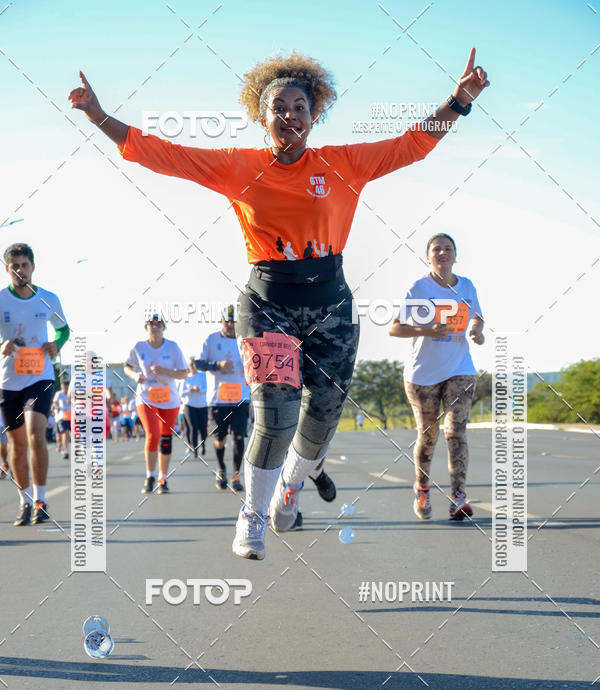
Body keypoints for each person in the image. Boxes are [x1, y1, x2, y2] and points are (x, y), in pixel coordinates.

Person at [69, 48, 489, 558]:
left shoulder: (343, 163)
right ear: (261, 116)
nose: (290, 116)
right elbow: (164, 154)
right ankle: (251, 515)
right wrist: (98, 116)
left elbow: (412, 145)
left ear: (315, 116)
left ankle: (290, 486)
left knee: (321, 418)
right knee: (275, 412)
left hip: (331, 304)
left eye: (300, 107)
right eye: (279, 108)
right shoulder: (238, 167)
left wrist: (458, 101)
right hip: (268, 302)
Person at [389, 233, 485, 521]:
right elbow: (395, 328)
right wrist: (427, 330)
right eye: (436, 249)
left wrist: (476, 330)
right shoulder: (419, 288)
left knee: (456, 431)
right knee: (428, 436)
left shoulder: (466, 286)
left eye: (447, 249)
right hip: (424, 374)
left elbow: (477, 316)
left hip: (461, 368)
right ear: (428, 256)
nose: (442, 253)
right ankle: (422, 487)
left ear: (455, 255)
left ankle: (459, 496)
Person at [0, 243, 70, 525]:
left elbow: (63, 328)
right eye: (14, 265)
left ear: (33, 267)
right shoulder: (1, 300)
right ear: (7, 269)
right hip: (8, 380)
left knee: (35, 433)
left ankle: (41, 500)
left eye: (24, 264)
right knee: (16, 444)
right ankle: (25, 501)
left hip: (40, 376)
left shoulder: (48, 299)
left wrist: (57, 344)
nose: (20, 270)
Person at [123, 314, 188, 494]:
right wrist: (135, 375)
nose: (155, 327)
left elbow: (184, 373)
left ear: (163, 327)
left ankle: (162, 478)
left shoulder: (173, 347)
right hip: (146, 397)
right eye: (151, 324)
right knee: (153, 434)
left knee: (166, 438)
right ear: (146, 327)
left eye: (158, 324)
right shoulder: (139, 347)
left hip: (169, 399)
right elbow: (127, 367)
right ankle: (150, 475)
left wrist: (166, 371)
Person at [195, 305, 250, 491]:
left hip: (241, 397)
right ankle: (221, 469)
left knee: (240, 435)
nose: (230, 324)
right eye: (227, 321)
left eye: (233, 321)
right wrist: (217, 365)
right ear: (221, 321)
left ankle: (235, 476)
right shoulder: (211, 339)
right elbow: (200, 364)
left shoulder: (246, 340)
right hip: (218, 398)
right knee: (220, 439)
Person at [179, 357, 208, 458]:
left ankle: (203, 445)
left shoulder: (203, 376)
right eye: (191, 365)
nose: (193, 367)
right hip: (189, 405)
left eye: (194, 364)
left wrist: (199, 389)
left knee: (203, 429)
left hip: (202, 405)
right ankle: (194, 449)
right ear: (188, 366)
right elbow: (180, 394)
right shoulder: (186, 378)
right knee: (193, 427)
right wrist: (189, 390)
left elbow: (208, 389)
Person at [52, 379, 71, 459]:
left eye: (67, 388)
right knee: (64, 433)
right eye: (64, 388)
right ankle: (65, 450)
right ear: (62, 387)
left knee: (74, 434)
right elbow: (55, 402)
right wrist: (57, 407)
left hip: (72, 416)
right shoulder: (59, 393)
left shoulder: (72, 393)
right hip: (62, 417)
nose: (65, 390)